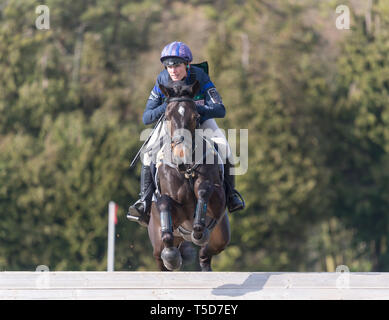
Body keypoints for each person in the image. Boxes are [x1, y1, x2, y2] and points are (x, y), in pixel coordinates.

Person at [127, 41, 244, 227]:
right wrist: (170, 106)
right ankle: (144, 201)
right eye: (169, 66)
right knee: (149, 151)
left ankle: (231, 195)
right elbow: (146, 117)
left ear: (187, 65)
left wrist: (197, 110)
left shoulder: (200, 77)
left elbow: (220, 109)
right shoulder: (162, 79)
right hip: (172, 122)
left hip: (198, 119)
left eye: (177, 65)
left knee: (224, 147)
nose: (172, 70)